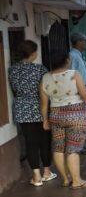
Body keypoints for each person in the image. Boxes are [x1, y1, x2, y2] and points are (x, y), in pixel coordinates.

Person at [40, 51, 86, 189]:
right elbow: (84, 95)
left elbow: (44, 104)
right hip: (76, 115)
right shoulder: (74, 74)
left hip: (55, 115)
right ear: (67, 60)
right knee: (73, 149)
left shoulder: (45, 78)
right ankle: (77, 181)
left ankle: (66, 179)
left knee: (58, 148)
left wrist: (45, 120)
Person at [8, 40, 56, 186]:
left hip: (22, 108)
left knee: (30, 143)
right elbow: (48, 89)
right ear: (33, 53)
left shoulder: (12, 70)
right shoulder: (40, 69)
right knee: (44, 141)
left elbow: (14, 89)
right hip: (40, 108)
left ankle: (36, 176)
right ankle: (46, 172)